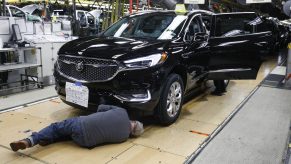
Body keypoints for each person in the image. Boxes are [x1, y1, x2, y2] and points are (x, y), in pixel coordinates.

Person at [10, 105, 144, 152]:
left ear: (133, 121)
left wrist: (99, 116)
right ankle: (46, 139)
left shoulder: (122, 112)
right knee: (67, 133)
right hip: (85, 142)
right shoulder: (123, 138)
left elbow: (101, 108)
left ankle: (30, 140)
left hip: (81, 125)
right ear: (132, 134)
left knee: (56, 127)